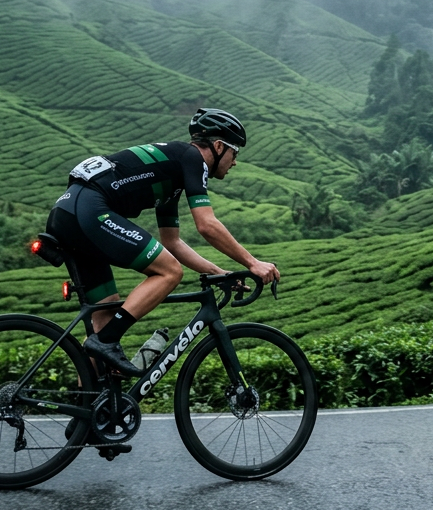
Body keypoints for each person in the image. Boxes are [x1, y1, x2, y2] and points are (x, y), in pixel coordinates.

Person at [46, 107, 279, 376]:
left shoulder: (173, 174)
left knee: (104, 316)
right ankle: (106, 341)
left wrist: (219, 273)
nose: (234, 162)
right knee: (169, 272)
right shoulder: (192, 158)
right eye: (234, 153)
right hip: (88, 211)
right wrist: (253, 263)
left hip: (69, 213)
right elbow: (207, 225)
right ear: (218, 146)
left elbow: (173, 242)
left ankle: (90, 411)